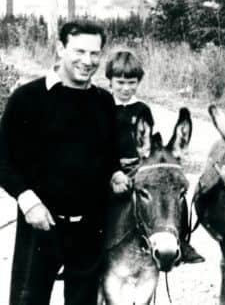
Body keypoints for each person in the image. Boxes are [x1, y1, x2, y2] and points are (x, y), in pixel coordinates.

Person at [0, 20, 129, 305]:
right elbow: (3, 158)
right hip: (40, 226)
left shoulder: (104, 102)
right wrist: (27, 199)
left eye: (95, 54)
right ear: (60, 49)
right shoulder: (28, 98)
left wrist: (115, 173)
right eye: (79, 51)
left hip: (89, 229)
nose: (88, 61)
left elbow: (108, 156)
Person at [104, 49, 204, 264]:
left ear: (138, 82)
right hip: (109, 167)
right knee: (96, 200)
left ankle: (182, 241)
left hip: (140, 165)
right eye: (120, 82)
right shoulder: (103, 105)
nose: (126, 88)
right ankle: (89, 251)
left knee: (175, 192)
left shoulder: (142, 108)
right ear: (109, 82)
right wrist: (114, 168)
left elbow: (150, 141)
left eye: (131, 83)